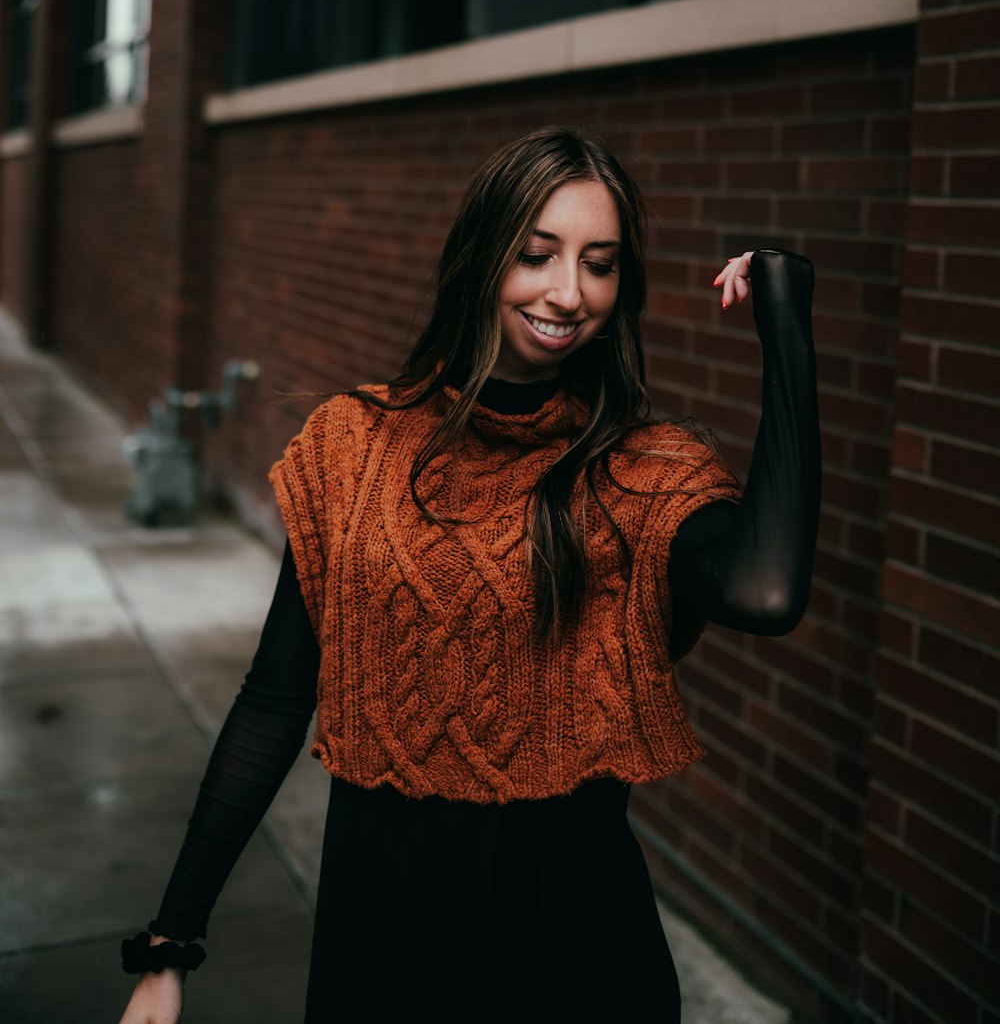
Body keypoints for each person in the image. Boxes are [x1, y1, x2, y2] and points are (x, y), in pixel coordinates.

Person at [117, 126, 819, 1024]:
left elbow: (766, 593)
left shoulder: (642, 471)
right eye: (537, 255)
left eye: (599, 265)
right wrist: (171, 945)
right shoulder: (353, 447)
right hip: (385, 947)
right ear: (484, 256)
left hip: (579, 954)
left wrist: (787, 323)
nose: (569, 293)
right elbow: (273, 699)